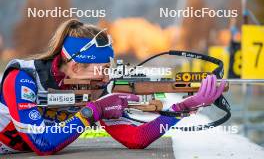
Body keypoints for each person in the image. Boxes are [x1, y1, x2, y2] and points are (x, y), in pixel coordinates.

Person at [0, 19, 226, 155]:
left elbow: (136, 138)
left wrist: (185, 107)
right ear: (76, 67)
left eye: (109, 68)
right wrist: (95, 110)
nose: (106, 78)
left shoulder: (96, 87)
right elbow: (43, 143)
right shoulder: (23, 78)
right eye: (101, 70)